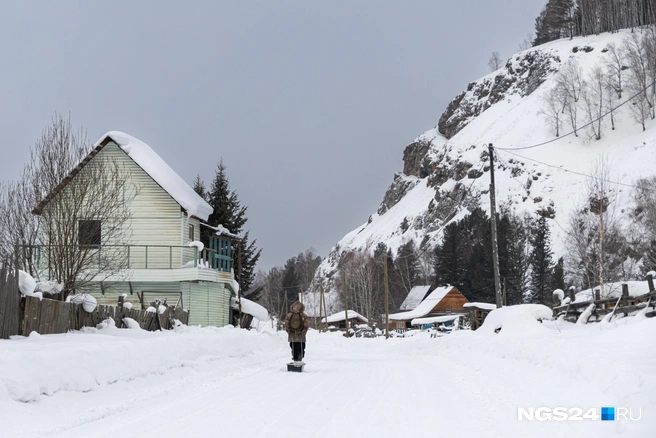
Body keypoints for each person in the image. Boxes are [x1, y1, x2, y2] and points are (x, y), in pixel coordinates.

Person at [284, 301, 310, 365]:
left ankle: (295, 358)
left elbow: (286, 325)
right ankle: (300, 357)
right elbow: (306, 325)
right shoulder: (304, 315)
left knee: (293, 347)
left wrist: (289, 332)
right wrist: (303, 332)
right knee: (301, 347)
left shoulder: (289, 315)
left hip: (292, 334)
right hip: (301, 335)